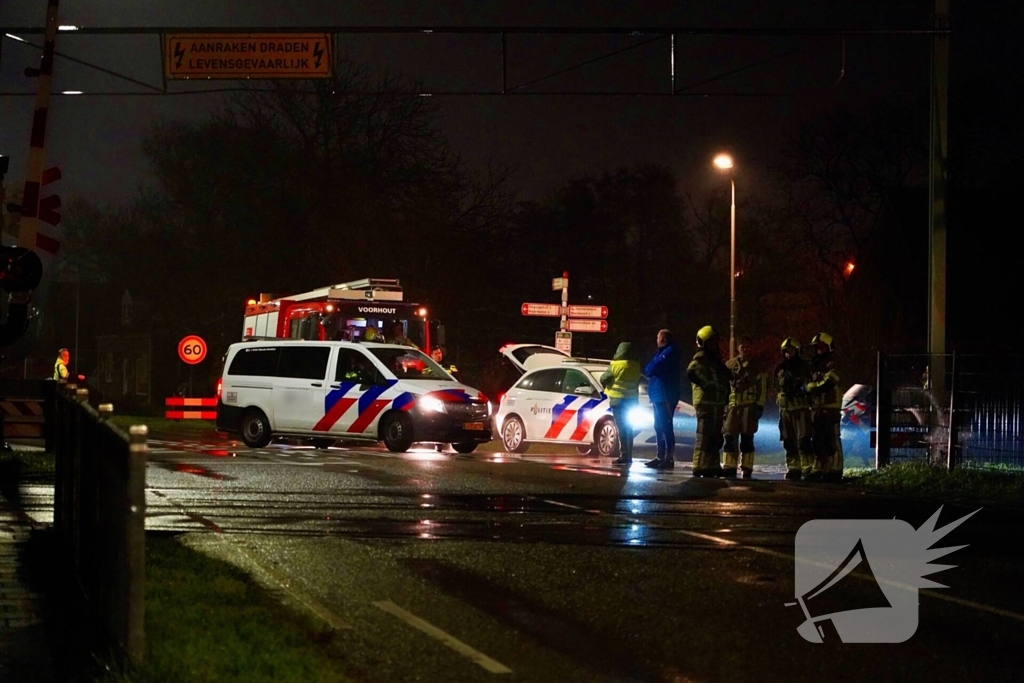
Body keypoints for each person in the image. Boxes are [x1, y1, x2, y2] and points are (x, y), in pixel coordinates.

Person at [686, 326, 731, 478]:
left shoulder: (715, 360)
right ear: (703, 342)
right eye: (710, 342)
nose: (714, 345)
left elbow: (724, 377)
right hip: (705, 402)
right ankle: (699, 465)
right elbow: (691, 372)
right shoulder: (701, 357)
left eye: (715, 342)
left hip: (717, 402)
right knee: (704, 435)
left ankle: (712, 465)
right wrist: (705, 384)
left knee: (716, 436)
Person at [723, 336, 768, 479]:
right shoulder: (729, 365)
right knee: (729, 436)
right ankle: (729, 466)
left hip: (749, 406)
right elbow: (725, 388)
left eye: (747, 345)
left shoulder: (757, 367)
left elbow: (762, 388)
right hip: (733, 407)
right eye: (742, 345)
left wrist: (759, 406)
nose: (744, 348)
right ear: (738, 347)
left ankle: (747, 467)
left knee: (747, 438)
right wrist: (725, 407)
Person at [805, 332, 843, 482]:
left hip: (830, 407)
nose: (819, 350)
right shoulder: (814, 365)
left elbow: (829, 382)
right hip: (816, 408)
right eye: (817, 347)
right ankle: (819, 467)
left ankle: (835, 469)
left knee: (832, 439)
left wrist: (811, 387)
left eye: (822, 347)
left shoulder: (833, 363)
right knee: (817, 440)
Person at [642, 329, 681, 469]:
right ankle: (660, 456)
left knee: (665, 426)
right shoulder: (661, 353)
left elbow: (652, 368)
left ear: (662, 339)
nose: (656, 341)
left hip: (665, 394)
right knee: (658, 426)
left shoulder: (670, 352)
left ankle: (668, 458)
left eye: (658, 338)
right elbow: (648, 369)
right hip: (658, 394)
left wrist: (652, 368)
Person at [775, 337, 813, 480]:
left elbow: (810, 386)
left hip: (801, 408)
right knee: (788, 440)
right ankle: (793, 468)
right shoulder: (780, 369)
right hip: (785, 410)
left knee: (804, 439)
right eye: (785, 351)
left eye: (790, 351)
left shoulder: (805, 367)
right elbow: (777, 387)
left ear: (797, 351)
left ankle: (808, 468)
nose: (787, 354)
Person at [600, 341, 642, 466]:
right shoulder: (636, 365)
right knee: (630, 428)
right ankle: (629, 455)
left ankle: (624, 455)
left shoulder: (615, 365)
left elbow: (603, 378)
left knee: (622, 429)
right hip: (632, 401)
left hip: (618, 401)